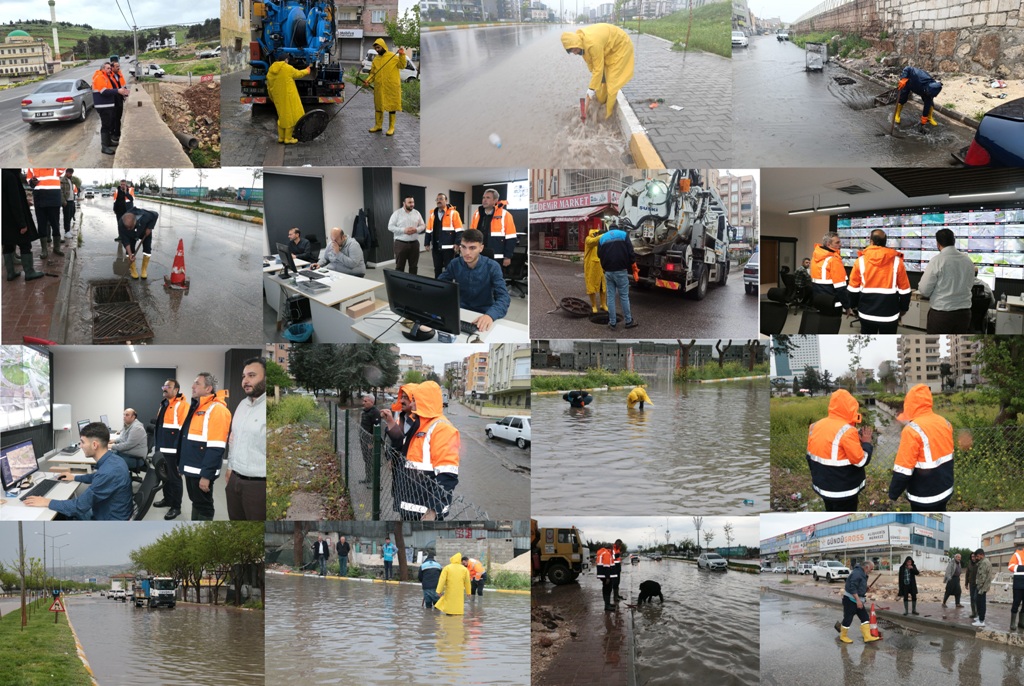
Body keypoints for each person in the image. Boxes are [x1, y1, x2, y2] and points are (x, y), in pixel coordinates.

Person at [23, 422, 132, 520]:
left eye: (82, 442)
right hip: (113, 510)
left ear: (94, 445)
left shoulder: (107, 472)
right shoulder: (114, 460)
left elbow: (78, 507)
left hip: (108, 519)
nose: (80, 446)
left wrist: (46, 501)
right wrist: (74, 477)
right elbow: (96, 476)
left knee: (59, 513)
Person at [888, 384, 954, 511]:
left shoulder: (912, 430)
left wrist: (893, 494)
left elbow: (903, 471)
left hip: (923, 495)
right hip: (945, 489)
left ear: (909, 404)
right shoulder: (944, 422)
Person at [806, 389, 874, 511]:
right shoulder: (847, 431)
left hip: (823, 486)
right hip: (844, 491)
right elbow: (861, 460)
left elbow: (810, 456)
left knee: (830, 511)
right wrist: (866, 443)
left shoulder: (815, 426)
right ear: (851, 408)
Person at [179, 372, 232, 521]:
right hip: (191, 468)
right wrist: (181, 465)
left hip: (201, 471)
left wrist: (206, 475)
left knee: (204, 506)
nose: (192, 386)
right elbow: (188, 440)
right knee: (196, 502)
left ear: (208, 388)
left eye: (197, 383)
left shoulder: (217, 410)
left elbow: (216, 447)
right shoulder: (197, 408)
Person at [404, 382, 461, 521]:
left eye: (414, 401)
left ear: (425, 401)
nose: (411, 405)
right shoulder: (421, 425)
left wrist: (433, 510)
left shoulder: (442, 428)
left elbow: (447, 474)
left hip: (426, 510)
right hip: (413, 503)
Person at [437, 228, 511, 333]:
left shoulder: (492, 266)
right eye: (463, 247)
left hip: (484, 312)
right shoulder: (455, 263)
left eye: (472, 248)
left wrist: (490, 315)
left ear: (481, 248)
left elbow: (504, 297)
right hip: (460, 311)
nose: (466, 253)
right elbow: (439, 285)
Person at [561, 23, 635, 120]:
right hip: (608, 49)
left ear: (577, 43)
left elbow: (598, 69)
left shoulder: (592, 44)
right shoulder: (582, 44)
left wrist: (591, 89)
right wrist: (597, 81)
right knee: (602, 82)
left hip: (620, 46)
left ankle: (607, 116)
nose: (575, 53)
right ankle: (601, 101)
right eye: (572, 52)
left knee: (612, 84)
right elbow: (591, 64)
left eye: (575, 50)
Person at [226, 357, 267, 521]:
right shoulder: (242, 404)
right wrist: (230, 467)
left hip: (258, 486)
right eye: (244, 376)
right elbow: (234, 439)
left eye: (251, 375)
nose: (245, 381)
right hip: (235, 479)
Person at [847, 230, 911, 334]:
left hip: (866, 313)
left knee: (867, 345)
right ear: (885, 242)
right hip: (889, 314)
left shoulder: (860, 261)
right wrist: (903, 309)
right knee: (887, 346)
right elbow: (905, 290)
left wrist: (853, 306)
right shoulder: (897, 261)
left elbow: (853, 289)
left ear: (871, 241)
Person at [918, 228, 975, 334]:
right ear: (954, 241)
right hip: (964, 315)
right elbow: (970, 284)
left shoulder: (937, 261)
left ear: (938, 244)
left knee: (936, 347)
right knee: (957, 346)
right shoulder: (968, 261)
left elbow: (924, 290)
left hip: (942, 314)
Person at [153, 378, 189, 521]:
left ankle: (176, 507)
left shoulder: (182, 405)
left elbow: (183, 431)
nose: (165, 388)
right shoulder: (164, 404)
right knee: (164, 477)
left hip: (174, 452)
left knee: (174, 479)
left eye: (168, 386)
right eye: (164, 385)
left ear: (176, 390)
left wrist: (180, 453)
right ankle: (167, 500)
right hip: (162, 449)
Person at [2, 168, 43, 282]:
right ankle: (29, 272)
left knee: (8, 244)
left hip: (4, 219)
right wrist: (22, 224)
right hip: (14, 219)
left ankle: (10, 273)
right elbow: (14, 202)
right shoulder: (10, 177)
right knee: (25, 244)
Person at [597, 224, 637, 330]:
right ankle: (628, 321)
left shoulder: (602, 238)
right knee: (624, 296)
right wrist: (633, 264)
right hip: (621, 270)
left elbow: (599, 255)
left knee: (610, 297)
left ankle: (612, 323)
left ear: (609, 229)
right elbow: (631, 252)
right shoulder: (623, 234)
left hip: (608, 272)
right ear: (617, 228)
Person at [364, 38, 406, 136]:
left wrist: (402, 55)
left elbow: (402, 65)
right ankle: (378, 125)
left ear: (383, 46)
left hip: (391, 87)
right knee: (379, 106)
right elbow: (373, 73)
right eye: (376, 48)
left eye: (378, 47)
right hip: (379, 87)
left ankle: (391, 127)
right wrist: (368, 80)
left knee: (392, 107)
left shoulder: (393, 56)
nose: (377, 50)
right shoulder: (376, 59)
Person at [266, 55, 310, 144]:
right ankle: (288, 138)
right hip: (288, 96)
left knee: (282, 116)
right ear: (286, 60)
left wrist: (272, 96)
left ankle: (281, 137)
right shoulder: (288, 68)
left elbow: (269, 85)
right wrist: (307, 70)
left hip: (277, 97)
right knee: (290, 116)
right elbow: (298, 74)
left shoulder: (271, 70)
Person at [469, 189, 517, 267]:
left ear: (495, 200)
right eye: (483, 197)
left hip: (496, 255)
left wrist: (508, 256)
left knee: (494, 278)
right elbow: (471, 234)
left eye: (488, 198)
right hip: (479, 253)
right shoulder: (477, 214)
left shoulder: (505, 215)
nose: (484, 200)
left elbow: (511, 237)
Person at [25, 167, 65, 258]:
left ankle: (57, 248)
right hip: (39, 198)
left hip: (53, 198)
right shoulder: (32, 166)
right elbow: (29, 180)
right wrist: (32, 182)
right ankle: (44, 250)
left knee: (55, 224)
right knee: (41, 225)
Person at [839, 560, 879, 644]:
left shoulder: (862, 573)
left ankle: (867, 637)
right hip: (850, 600)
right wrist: (858, 601)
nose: (871, 571)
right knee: (848, 618)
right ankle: (843, 636)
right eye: (871, 569)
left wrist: (865, 587)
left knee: (865, 617)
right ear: (866, 567)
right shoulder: (857, 573)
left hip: (858, 600)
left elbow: (859, 585)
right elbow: (852, 588)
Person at [810, 232, 851, 315]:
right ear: (829, 244)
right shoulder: (834, 260)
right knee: (831, 326)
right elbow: (841, 288)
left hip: (818, 301)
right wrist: (847, 306)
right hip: (832, 303)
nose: (840, 244)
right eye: (837, 242)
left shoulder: (814, 258)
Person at [92, 61, 126, 155]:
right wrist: (117, 91)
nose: (109, 70)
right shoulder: (100, 77)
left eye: (110, 68)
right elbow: (104, 91)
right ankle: (104, 146)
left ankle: (108, 142)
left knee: (109, 125)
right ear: (102, 69)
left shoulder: (105, 76)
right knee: (105, 125)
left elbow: (110, 89)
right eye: (107, 68)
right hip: (103, 105)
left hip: (107, 105)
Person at [425, 193, 462, 278]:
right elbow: (428, 229)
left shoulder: (454, 213)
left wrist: (457, 243)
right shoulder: (432, 214)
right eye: (437, 199)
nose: (439, 201)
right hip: (436, 247)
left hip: (448, 248)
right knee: (437, 268)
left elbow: (459, 230)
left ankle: (448, 287)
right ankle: (437, 285)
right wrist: (427, 243)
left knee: (449, 268)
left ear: (446, 200)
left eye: (441, 199)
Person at [119, 206, 159, 279]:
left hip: (144, 231)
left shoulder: (145, 216)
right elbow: (125, 240)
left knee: (147, 250)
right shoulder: (121, 224)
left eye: (130, 227)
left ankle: (144, 270)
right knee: (130, 250)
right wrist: (130, 254)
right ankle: (133, 270)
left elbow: (155, 214)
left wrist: (150, 228)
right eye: (127, 227)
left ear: (135, 221)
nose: (128, 229)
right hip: (132, 235)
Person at [388, 196, 425, 274]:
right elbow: (390, 227)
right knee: (400, 267)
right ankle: (399, 285)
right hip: (401, 244)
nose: (412, 204)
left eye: (413, 202)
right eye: (409, 202)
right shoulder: (397, 213)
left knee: (414, 267)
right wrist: (403, 230)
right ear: (404, 203)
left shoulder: (417, 213)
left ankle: (412, 284)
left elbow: (423, 225)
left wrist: (416, 230)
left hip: (414, 244)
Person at [583, 227, 608, 313]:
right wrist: (605, 235)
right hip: (591, 268)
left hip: (601, 267)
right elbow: (593, 242)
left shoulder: (602, 240)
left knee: (602, 287)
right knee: (591, 286)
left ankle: (603, 304)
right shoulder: (588, 239)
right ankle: (594, 305)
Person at [358, 393, 381, 483]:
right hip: (363, 438)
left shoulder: (375, 412)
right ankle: (368, 477)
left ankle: (372, 479)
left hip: (370, 441)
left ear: (371, 402)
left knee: (370, 459)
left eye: (365, 401)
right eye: (363, 401)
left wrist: (371, 442)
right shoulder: (365, 411)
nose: (363, 403)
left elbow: (376, 428)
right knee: (366, 459)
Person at [972, 548, 992, 628]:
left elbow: (982, 577)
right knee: (979, 602)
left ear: (981, 555)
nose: (976, 558)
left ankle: (981, 621)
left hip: (982, 587)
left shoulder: (984, 563)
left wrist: (979, 587)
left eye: (977, 556)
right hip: (982, 586)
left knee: (981, 604)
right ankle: (980, 617)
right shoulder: (982, 562)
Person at [595, 545, 618, 611]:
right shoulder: (607, 554)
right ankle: (607, 606)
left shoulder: (602, 553)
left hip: (603, 575)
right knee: (608, 589)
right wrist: (607, 577)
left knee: (605, 588)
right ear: (610, 549)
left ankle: (607, 604)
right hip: (606, 575)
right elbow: (606, 566)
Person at [109, 60, 127, 143]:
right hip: (114, 99)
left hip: (120, 98)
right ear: (112, 68)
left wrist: (125, 93)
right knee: (114, 118)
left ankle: (117, 133)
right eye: (117, 66)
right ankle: (114, 134)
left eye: (119, 66)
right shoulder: (110, 76)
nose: (118, 68)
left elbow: (122, 85)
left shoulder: (119, 75)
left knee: (118, 117)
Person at [1008, 544, 1024, 632]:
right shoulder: (1017, 554)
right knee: (1016, 603)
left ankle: (1021, 622)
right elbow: (1010, 566)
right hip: (1018, 584)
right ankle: (1012, 623)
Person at [60, 168, 76, 237]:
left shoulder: (70, 180)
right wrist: (63, 201)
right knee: (66, 217)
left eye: (71, 173)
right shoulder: (62, 180)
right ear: (66, 172)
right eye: (69, 173)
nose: (70, 174)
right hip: (67, 202)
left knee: (71, 215)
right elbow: (61, 192)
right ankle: (66, 231)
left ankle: (68, 230)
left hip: (72, 201)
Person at [966, 551, 979, 619]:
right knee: (972, 598)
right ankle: (973, 613)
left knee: (975, 598)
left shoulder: (979, 564)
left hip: (977, 584)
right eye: (972, 557)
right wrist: (966, 583)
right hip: (971, 584)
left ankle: (977, 612)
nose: (973, 558)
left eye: (974, 556)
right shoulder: (969, 564)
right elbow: (967, 574)